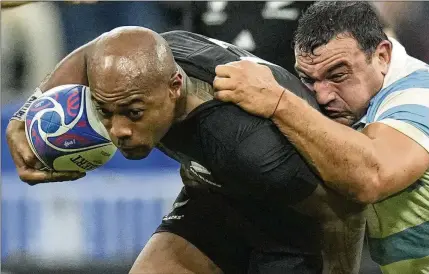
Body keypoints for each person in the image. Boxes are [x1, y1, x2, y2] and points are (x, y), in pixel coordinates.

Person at [6, 27, 365, 273]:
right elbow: (93, 52)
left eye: (133, 112)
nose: (119, 131)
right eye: (105, 111)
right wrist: (26, 113)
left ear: (174, 87)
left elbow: (342, 208)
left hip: (291, 229)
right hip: (219, 196)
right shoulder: (158, 55)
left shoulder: (244, 144)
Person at [212, 2, 429, 273]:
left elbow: (373, 177)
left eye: (338, 75)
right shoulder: (355, 105)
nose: (323, 95)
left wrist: (279, 102)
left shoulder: (419, 95)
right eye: (309, 79)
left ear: (382, 56)